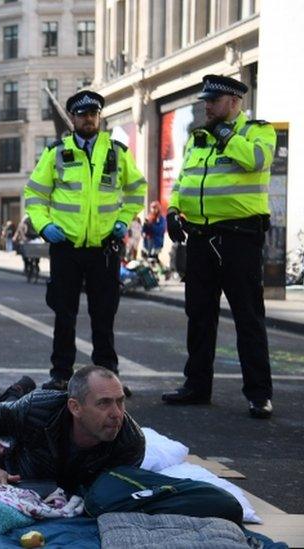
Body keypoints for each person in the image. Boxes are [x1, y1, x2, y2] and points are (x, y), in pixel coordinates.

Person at [162, 75, 277, 419]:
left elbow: (256, 160)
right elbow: (184, 181)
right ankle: (197, 386)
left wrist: (225, 134)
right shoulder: (197, 138)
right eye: (205, 101)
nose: (206, 107)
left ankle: (259, 394)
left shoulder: (257, 131)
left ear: (234, 101)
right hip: (199, 237)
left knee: (248, 317)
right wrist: (171, 209)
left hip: (239, 238)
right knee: (198, 315)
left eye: (213, 101)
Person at [24, 90, 147, 393]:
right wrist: (45, 225)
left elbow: (136, 191)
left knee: (103, 315)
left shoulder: (117, 152)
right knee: (64, 314)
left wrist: (124, 219)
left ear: (99, 117)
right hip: (66, 247)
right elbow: (35, 195)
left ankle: (107, 378)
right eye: (82, 114)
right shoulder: (56, 153)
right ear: (73, 118)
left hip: (104, 248)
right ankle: (61, 374)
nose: (88, 119)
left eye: (93, 114)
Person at [0, 365, 144, 494]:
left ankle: (11, 395)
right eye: (103, 403)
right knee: (7, 414)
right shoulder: (36, 409)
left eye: (120, 401)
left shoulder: (130, 443)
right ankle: (16, 391)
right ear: (75, 407)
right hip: (23, 434)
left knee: (10, 409)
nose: (116, 413)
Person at [142, 201, 166, 272]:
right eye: (152, 208)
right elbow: (144, 230)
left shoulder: (161, 219)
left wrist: (151, 225)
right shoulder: (149, 217)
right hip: (148, 241)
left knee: (154, 258)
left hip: (156, 242)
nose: (153, 210)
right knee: (148, 257)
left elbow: (160, 230)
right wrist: (144, 229)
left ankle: (163, 271)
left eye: (155, 208)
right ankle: (153, 273)